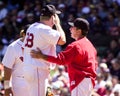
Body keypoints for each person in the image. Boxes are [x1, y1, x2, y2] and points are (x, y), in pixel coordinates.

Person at [30, 18, 98, 96]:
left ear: (79, 31)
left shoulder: (76, 45)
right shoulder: (91, 46)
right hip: (88, 81)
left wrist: (42, 56)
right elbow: (95, 65)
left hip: (80, 80)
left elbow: (61, 60)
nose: (70, 29)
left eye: (73, 27)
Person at [22, 4, 66, 96]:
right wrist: (58, 24)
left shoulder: (32, 26)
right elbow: (63, 40)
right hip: (37, 69)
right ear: (52, 17)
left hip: (28, 68)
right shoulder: (45, 29)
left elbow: (23, 48)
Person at [2, 24, 30, 96]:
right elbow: (7, 68)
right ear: (23, 34)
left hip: (35, 82)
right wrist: (7, 87)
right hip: (19, 83)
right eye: (29, 35)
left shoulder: (37, 45)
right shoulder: (13, 47)